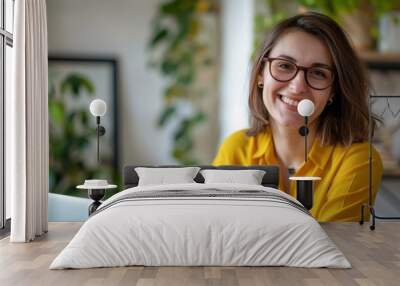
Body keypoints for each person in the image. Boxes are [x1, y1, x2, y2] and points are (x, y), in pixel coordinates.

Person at [212, 12, 383, 222]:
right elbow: (217, 233)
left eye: (318, 73)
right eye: (284, 65)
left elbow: (328, 248)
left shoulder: (358, 160)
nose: (297, 86)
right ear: (260, 74)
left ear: (334, 91)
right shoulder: (236, 148)